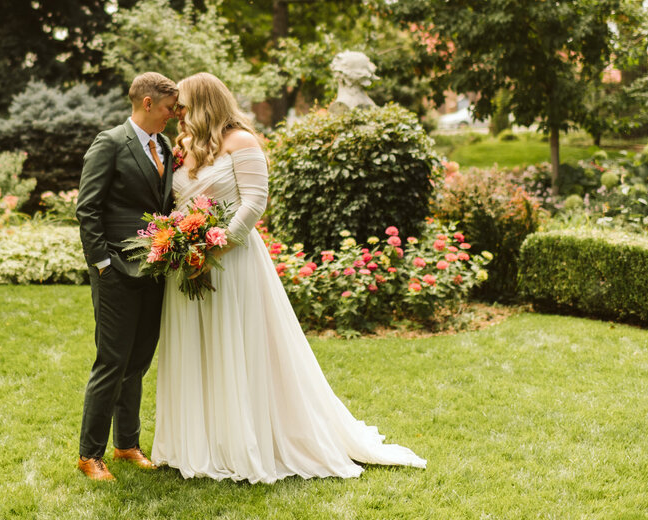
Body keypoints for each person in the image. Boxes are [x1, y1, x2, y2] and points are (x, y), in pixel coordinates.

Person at [151, 72, 427, 482]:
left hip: (233, 263)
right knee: (198, 348)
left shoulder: (241, 142)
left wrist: (214, 247)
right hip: (188, 263)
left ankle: (243, 440)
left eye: (184, 106)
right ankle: (199, 442)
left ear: (205, 103)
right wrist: (180, 244)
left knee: (237, 346)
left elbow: (254, 203)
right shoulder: (184, 146)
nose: (178, 113)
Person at [74, 72, 179, 482]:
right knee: (112, 361)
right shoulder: (111, 142)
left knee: (137, 361)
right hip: (115, 268)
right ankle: (89, 455)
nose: (174, 115)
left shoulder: (166, 146)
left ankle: (127, 445)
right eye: (170, 107)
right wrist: (102, 263)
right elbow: (88, 208)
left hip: (154, 269)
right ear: (148, 103)